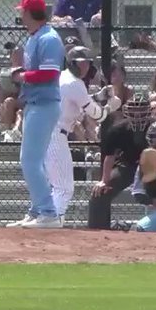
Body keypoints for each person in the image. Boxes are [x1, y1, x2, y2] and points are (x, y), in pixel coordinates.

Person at [5, 0, 66, 229]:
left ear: (30, 13)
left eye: (22, 11)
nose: (21, 14)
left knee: (29, 161)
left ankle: (49, 214)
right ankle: (37, 210)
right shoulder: (34, 37)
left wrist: (20, 75)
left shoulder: (48, 38)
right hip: (35, 103)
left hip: (45, 104)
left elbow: (50, 73)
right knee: (34, 161)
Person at [44, 45, 95, 220]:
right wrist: (111, 106)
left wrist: (99, 97)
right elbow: (96, 113)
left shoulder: (62, 77)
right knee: (64, 188)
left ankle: (46, 217)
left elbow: (75, 104)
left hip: (47, 132)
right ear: (72, 63)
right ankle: (52, 220)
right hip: (55, 135)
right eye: (81, 63)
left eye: (87, 63)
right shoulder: (74, 82)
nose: (85, 67)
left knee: (57, 186)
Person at [87, 91, 152, 230]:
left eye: (141, 111)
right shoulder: (118, 129)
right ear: (127, 111)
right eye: (134, 111)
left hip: (151, 167)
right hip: (127, 166)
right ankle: (97, 232)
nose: (138, 115)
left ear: (148, 111)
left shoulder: (155, 127)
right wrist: (104, 181)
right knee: (99, 194)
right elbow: (109, 157)